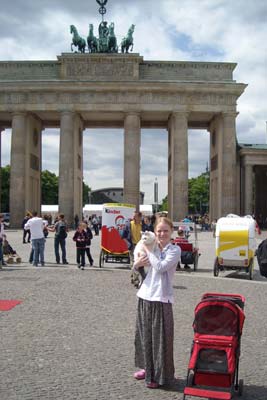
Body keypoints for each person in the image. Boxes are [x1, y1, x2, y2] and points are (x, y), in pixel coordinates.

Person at [133, 216, 181, 389]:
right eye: (159, 230)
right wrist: (136, 263)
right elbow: (137, 265)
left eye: (165, 231)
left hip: (161, 298)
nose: (162, 234)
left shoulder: (174, 250)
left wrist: (148, 248)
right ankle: (147, 368)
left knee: (161, 339)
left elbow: (160, 267)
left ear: (171, 232)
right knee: (145, 336)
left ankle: (161, 375)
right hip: (145, 295)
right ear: (154, 231)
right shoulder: (150, 245)